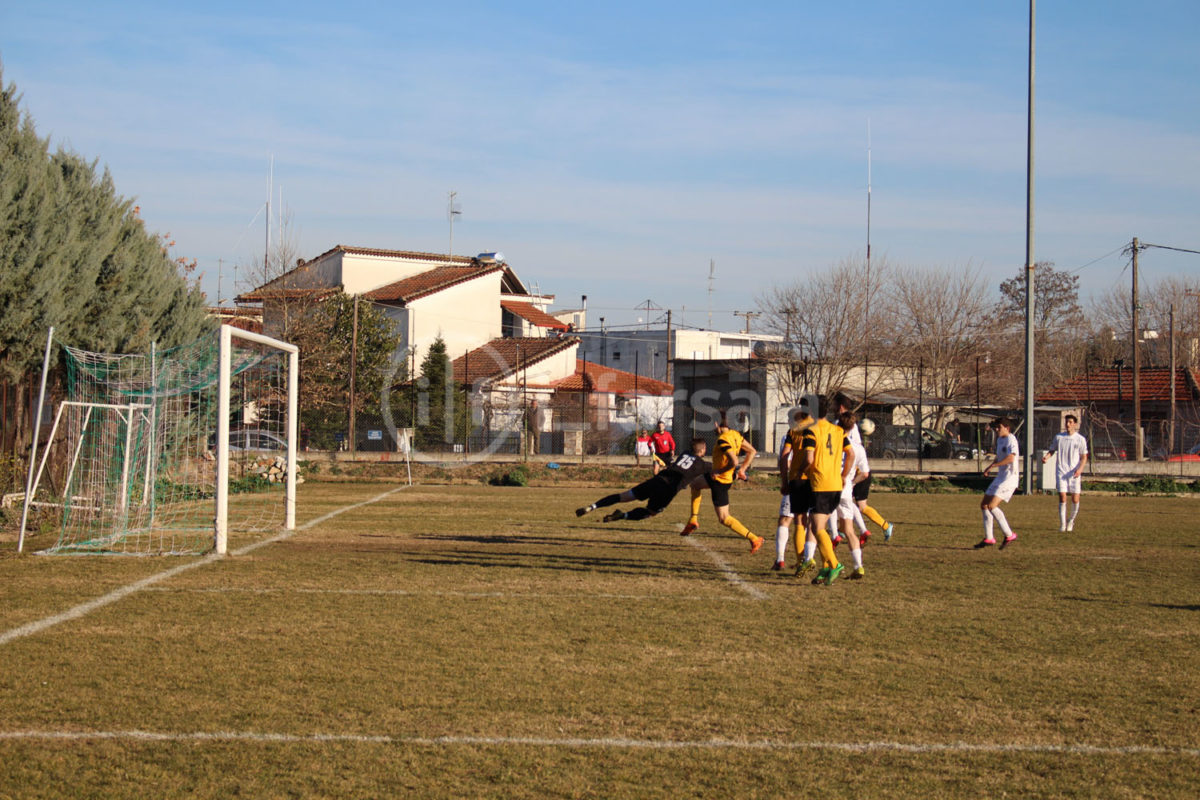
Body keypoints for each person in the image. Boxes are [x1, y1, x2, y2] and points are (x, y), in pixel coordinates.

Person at [680, 411, 764, 553]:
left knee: (724, 518)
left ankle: (754, 539)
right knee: (695, 484)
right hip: (721, 477)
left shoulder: (723, 440)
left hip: (720, 480)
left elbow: (734, 460)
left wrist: (719, 471)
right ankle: (693, 520)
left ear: (717, 423)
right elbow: (752, 451)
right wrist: (742, 470)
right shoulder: (736, 435)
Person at [576, 439, 710, 523]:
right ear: (703, 450)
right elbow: (718, 468)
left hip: (658, 479)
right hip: (668, 489)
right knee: (651, 512)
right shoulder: (703, 465)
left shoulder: (685, 453)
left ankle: (592, 506)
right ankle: (623, 516)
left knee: (624, 496)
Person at [800, 396, 854, 585]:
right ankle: (824, 567)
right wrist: (844, 475)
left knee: (817, 528)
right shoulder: (838, 430)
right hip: (836, 486)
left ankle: (834, 564)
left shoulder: (811, 431)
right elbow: (851, 454)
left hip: (820, 484)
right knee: (819, 527)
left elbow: (808, 459)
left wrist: (801, 472)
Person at [832, 393, 894, 543]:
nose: (832, 408)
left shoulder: (842, 426)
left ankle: (879, 526)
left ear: (840, 407)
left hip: (855, 472)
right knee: (850, 503)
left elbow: (853, 451)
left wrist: (852, 478)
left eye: (834, 405)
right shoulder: (848, 424)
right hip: (854, 470)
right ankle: (845, 530)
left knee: (856, 505)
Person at [775, 408, 816, 573]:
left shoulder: (793, 433)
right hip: (818, 482)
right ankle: (815, 559)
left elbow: (785, 457)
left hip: (797, 480)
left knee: (786, 520)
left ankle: (781, 559)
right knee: (813, 523)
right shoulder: (820, 430)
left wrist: (784, 480)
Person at [976, 417, 1020, 549]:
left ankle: (1009, 534)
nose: (996, 429)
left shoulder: (1011, 439)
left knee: (992, 506)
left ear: (1007, 428)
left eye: (999, 427)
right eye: (996, 427)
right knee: (984, 505)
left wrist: (994, 466)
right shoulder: (1000, 440)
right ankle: (989, 538)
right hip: (1001, 477)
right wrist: (991, 466)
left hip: (1009, 478)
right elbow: (999, 456)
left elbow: (1011, 458)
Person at [1043, 414, 1088, 531]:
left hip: (1074, 472)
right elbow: (1052, 450)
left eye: (1070, 422)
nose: (1067, 424)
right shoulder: (1059, 437)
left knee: (1075, 499)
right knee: (1062, 497)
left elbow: (1084, 457)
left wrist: (1080, 469)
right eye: (1066, 422)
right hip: (1061, 471)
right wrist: (1046, 457)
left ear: (1075, 424)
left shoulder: (1080, 439)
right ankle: (1062, 524)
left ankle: (1071, 520)